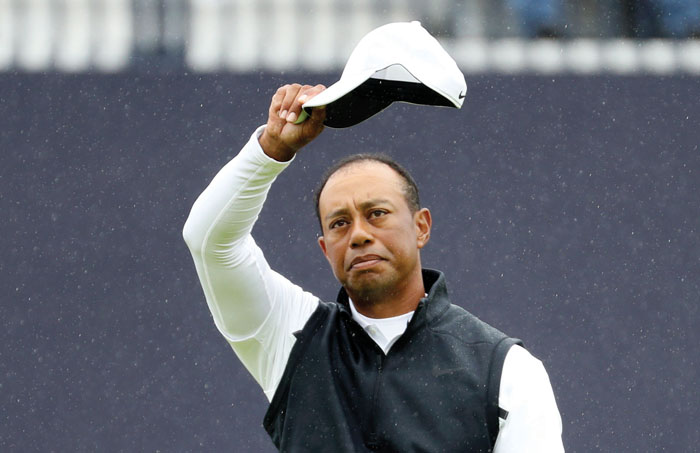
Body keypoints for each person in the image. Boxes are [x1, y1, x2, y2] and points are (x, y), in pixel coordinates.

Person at [183, 83, 565, 452]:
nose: (359, 235)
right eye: (339, 223)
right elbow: (208, 240)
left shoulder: (508, 370)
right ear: (325, 249)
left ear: (421, 227)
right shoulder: (291, 336)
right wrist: (273, 147)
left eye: (377, 213)